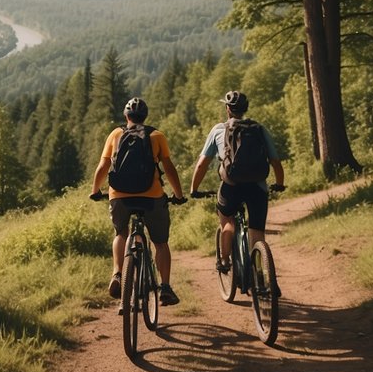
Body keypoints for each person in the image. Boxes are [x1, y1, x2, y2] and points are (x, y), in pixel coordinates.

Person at [90, 97, 187, 306]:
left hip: (119, 196)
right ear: (145, 117)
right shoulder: (157, 136)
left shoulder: (116, 134)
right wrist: (179, 195)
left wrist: (95, 191)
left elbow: (103, 166)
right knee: (160, 243)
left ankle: (117, 274)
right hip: (151, 196)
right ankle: (166, 287)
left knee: (121, 233)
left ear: (126, 116)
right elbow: (169, 168)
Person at [189, 90, 285, 274]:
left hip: (231, 186)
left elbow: (202, 165)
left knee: (228, 222)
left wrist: (194, 189)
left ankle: (224, 261)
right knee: (257, 231)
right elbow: (275, 162)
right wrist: (279, 184)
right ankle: (258, 275)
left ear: (227, 109)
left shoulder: (218, 130)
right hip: (257, 186)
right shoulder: (259, 129)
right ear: (245, 109)